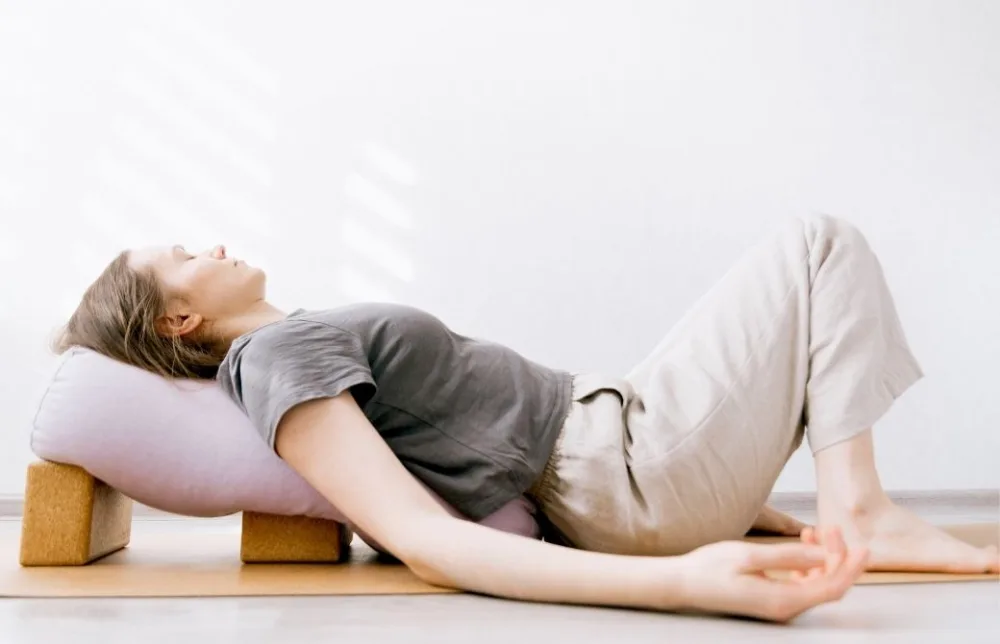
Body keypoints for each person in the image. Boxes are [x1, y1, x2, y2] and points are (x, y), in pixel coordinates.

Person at [55, 214, 997, 622]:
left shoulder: (293, 340)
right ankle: (861, 509)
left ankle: (854, 506)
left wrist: (742, 512)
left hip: (623, 443)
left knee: (810, 256)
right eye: (185, 255)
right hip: (620, 466)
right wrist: (681, 580)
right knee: (817, 243)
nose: (213, 244)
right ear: (178, 321)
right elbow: (425, 539)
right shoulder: (277, 360)